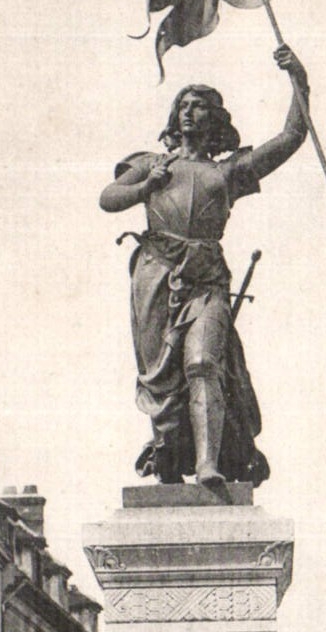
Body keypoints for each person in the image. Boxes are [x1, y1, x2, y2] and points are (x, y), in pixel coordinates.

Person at [100, 45, 310, 487]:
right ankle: (167, 454)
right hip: (156, 275)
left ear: (215, 120)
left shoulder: (228, 172)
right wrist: (145, 188)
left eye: (199, 106)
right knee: (160, 377)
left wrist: (299, 81)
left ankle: (208, 464)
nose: (189, 112)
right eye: (184, 105)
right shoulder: (151, 163)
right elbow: (108, 198)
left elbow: (290, 137)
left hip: (207, 277)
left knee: (202, 363)